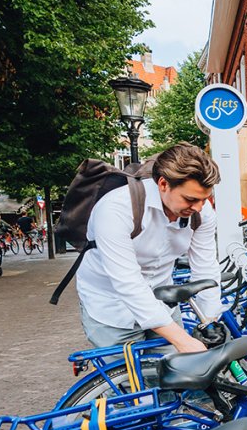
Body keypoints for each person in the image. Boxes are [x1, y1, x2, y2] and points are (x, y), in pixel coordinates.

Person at [75, 142, 220, 353]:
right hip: (112, 308)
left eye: (204, 199)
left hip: (163, 303)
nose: (199, 207)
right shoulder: (116, 208)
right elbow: (128, 282)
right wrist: (182, 340)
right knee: (130, 381)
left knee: (178, 378)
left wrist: (210, 320)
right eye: (190, 199)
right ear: (163, 184)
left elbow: (205, 266)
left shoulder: (201, 211)